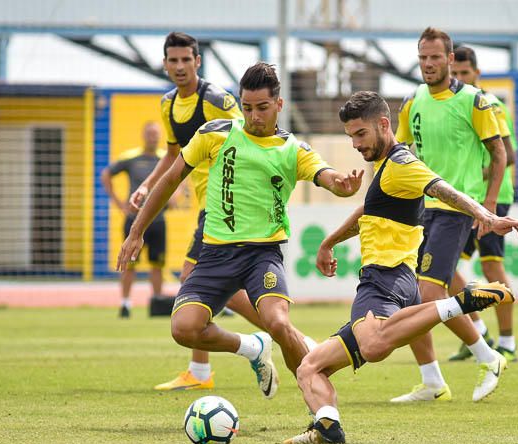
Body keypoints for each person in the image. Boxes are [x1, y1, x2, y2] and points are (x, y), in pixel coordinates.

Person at [283, 91, 518, 444]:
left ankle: (459, 304)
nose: (354, 144)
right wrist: (329, 242)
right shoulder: (385, 167)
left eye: (361, 134)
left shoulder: (402, 163)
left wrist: (487, 215)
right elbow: (369, 213)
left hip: (385, 279)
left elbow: (444, 190)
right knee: (309, 367)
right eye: (351, 136)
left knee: (373, 346)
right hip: (397, 282)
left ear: (383, 124)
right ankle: (326, 425)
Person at [117, 62, 364, 400]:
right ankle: (251, 346)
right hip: (216, 254)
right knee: (183, 329)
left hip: (262, 255)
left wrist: (343, 186)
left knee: (278, 323)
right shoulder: (215, 134)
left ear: (279, 105)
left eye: (262, 108)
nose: (254, 116)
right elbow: (172, 177)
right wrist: (136, 232)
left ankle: (319, 405)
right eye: (247, 107)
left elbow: (328, 176)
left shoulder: (293, 149)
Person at [130, 32, 267, 392]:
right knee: (204, 285)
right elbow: (174, 155)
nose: (179, 67)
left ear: (197, 62)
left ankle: (273, 339)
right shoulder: (168, 104)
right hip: (208, 205)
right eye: (173, 61)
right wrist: (146, 186)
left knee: (195, 282)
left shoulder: (217, 100)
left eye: (186, 60)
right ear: (164, 64)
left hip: (225, 204)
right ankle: (270, 340)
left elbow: (252, 134)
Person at [392, 27, 509, 403]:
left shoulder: (475, 102)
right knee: (411, 296)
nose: (428, 64)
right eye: (423, 58)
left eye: (436, 58)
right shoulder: (412, 102)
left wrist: (488, 206)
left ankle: (489, 356)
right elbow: (402, 156)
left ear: (450, 59)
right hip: (418, 210)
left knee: (428, 293)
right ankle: (432, 381)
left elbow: (499, 153)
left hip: (456, 209)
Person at [448, 45, 518, 362]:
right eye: (457, 74)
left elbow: (509, 154)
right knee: (445, 270)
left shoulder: (490, 104)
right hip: (468, 199)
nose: (461, 78)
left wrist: (487, 198)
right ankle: (479, 334)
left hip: (493, 197)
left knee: (491, 265)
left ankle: (508, 342)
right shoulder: (456, 105)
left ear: (477, 73)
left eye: (466, 73)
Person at [101, 121, 168, 319]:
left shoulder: (165, 158)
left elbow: (181, 178)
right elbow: (106, 174)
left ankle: (156, 302)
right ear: (143, 135)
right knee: (129, 264)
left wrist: (175, 196)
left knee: (157, 265)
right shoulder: (132, 158)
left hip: (158, 220)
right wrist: (118, 203)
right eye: (149, 133)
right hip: (134, 220)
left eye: (156, 134)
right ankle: (125, 304)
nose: (153, 137)